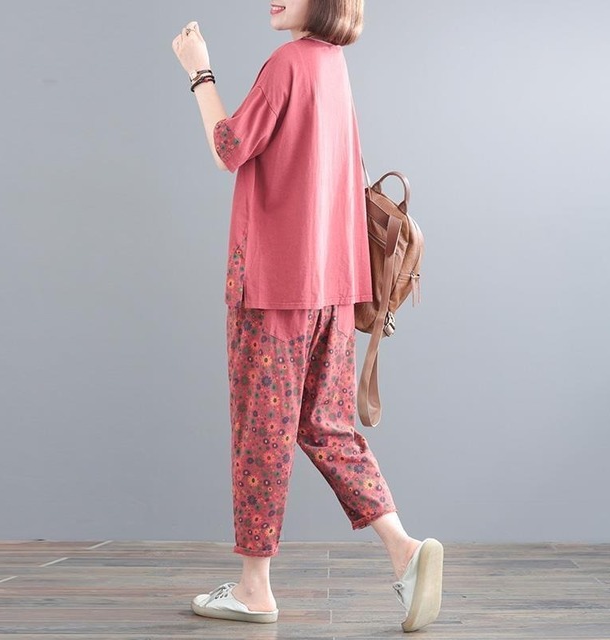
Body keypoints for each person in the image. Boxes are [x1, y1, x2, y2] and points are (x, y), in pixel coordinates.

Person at [171, 0, 443, 632]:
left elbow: (229, 148)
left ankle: (254, 589)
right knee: (326, 426)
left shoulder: (289, 63)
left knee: (260, 433)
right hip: (334, 287)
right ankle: (405, 551)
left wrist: (199, 71)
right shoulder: (332, 65)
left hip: (274, 288)